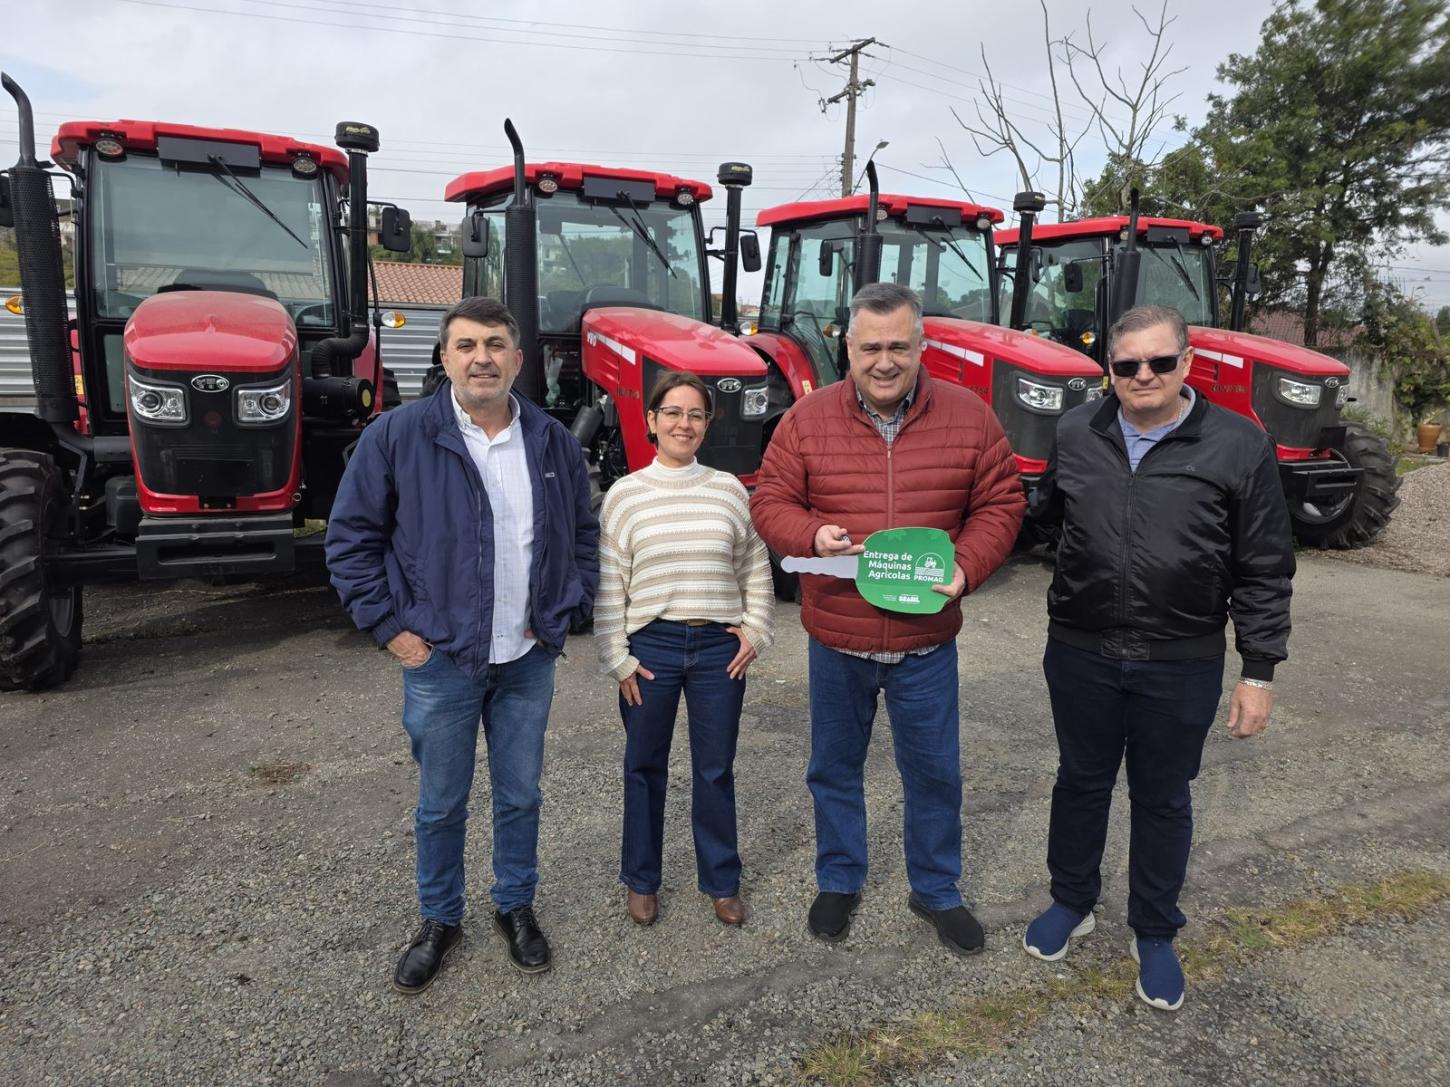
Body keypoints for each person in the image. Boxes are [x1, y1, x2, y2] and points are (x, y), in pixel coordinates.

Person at [1022, 303, 1294, 1012]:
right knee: (1079, 781)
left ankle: (1154, 929)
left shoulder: (1237, 443)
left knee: (1163, 796)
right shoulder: (1077, 429)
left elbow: (1265, 565)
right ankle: (1072, 899)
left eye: (1159, 362)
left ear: (1187, 363)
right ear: (1109, 370)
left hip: (1182, 658)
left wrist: (1258, 670)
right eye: (1127, 364)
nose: (1143, 375)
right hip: (1080, 652)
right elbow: (1043, 513)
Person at [325, 296, 598, 993]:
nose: (482, 356)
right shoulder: (398, 435)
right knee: (442, 801)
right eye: (467, 344)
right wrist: (392, 631)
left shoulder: (550, 439)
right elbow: (351, 540)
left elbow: (583, 534)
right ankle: (439, 918)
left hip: (526, 659)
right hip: (442, 659)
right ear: (444, 357)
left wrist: (565, 608)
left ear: (517, 358)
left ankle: (514, 904)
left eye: (496, 343)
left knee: (520, 795)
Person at [750, 282, 1025, 956]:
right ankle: (840, 876)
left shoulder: (969, 416)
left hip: (925, 641)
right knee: (835, 768)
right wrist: (812, 535)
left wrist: (966, 566)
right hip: (838, 638)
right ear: (848, 346)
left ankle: (936, 888)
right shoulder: (806, 420)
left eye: (898, 345)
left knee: (934, 772)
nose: (884, 360)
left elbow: (1002, 503)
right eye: (870, 346)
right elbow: (770, 501)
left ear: (921, 345)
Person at [595, 371, 775, 928]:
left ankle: (721, 881)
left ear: (706, 424)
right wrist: (616, 656)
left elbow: (755, 565)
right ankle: (642, 879)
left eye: (695, 414)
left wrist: (756, 630)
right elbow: (609, 582)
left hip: (719, 649)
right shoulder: (625, 495)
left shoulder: (728, 490)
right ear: (651, 421)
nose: (684, 423)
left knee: (715, 769)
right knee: (644, 765)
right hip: (652, 647)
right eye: (672, 412)